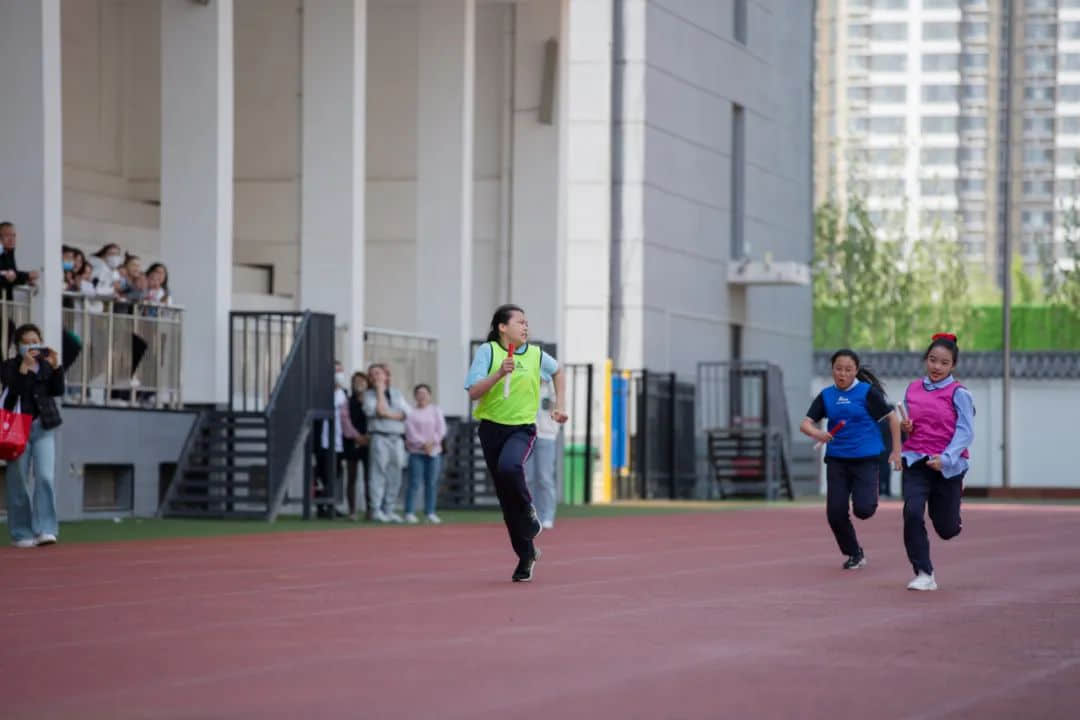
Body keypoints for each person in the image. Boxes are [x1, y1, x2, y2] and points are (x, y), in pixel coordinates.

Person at [465, 304, 567, 582]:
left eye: (526, 322)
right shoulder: (488, 352)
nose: (525, 327)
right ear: (502, 327)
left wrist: (560, 405)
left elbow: (558, 371)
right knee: (506, 499)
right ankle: (526, 555)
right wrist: (498, 373)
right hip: (490, 429)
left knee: (511, 468)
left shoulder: (535, 355)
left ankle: (529, 510)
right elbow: (474, 392)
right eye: (520, 322)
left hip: (521, 428)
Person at [800, 349, 901, 571]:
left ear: (855, 371)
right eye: (838, 369)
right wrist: (818, 434)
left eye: (848, 369)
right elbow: (805, 424)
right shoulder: (826, 396)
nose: (842, 374)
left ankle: (868, 495)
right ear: (832, 370)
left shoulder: (867, 393)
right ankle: (854, 553)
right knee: (835, 513)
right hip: (837, 460)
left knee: (864, 510)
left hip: (865, 459)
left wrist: (896, 450)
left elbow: (893, 419)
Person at [900, 333, 975, 592]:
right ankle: (924, 572)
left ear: (952, 366)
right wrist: (905, 427)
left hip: (947, 466)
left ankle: (953, 515)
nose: (936, 367)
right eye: (932, 360)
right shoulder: (912, 388)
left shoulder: (960, 393)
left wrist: (946, 459)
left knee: (946, 528)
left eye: (944, 363)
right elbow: (908, 423)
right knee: (911, 512)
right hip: (916, 460)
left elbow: (965, 431)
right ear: (925, 360)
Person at [2, 324, 65, 548]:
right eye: (26, 342)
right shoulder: (9, 366)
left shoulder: (45, 365)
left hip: (44, 427)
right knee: (18, 480)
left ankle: (46, 529)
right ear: (17, 346)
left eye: (35, 341)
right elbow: (11, 396)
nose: (31, 346)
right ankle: (21, 532)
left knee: (45, 477)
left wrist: (57, 368)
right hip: (19, 428)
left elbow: (57, 391)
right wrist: (24, 369)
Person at [364, 364, 410, 523]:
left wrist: (387, 414)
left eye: (379, 373)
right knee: (378, 474)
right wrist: (379, 391)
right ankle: (376, 509)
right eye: (373, 374)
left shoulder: (397, 393)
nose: (376, 376)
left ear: (386, 375)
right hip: (380, 437)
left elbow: (407, 413)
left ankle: (389, 509)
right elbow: (377, 411)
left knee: (395, 475)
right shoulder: (369, 395)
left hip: (397, 438)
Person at [403, 383, 447, 524]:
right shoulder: (411, 413)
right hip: (416, 452)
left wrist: (432, 442)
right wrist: (423, 444)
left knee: (432, 483)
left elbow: (441, 429)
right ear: (415, 396)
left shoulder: (436, 410)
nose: (422, 396)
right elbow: (410, 433)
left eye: (424, 393)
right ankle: (409, 512)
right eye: (419, 393)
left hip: (434, 452)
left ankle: (430, 512)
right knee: (414, 483)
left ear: (429, 395)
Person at [524, 377, 559, 530]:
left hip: (546, 435)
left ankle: (548, 515)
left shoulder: (552, 388)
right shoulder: (526, 385)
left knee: (544, 477)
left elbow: (556, 409)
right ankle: (530, 515)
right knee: (527, 477)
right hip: (527, 435)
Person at [342, 372, 371, 521]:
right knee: (351, 478)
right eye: (356, 381)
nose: (359, 384)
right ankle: (352, 511)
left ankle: (370, 510)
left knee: (369, 478)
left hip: (369, 443)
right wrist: (357, 436)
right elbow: (345, 421)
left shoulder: (372, 400)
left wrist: (368, 436)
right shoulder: (347, 402)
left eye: (362, 381)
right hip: (352, 442)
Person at [0, 222, 40, 301]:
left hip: (6, 302)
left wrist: (26, 280)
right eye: (7, 235)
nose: (11, 239)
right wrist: (27, 276)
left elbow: (12, 275)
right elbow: (7, 275)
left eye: (13, 235)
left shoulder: (9, 252)